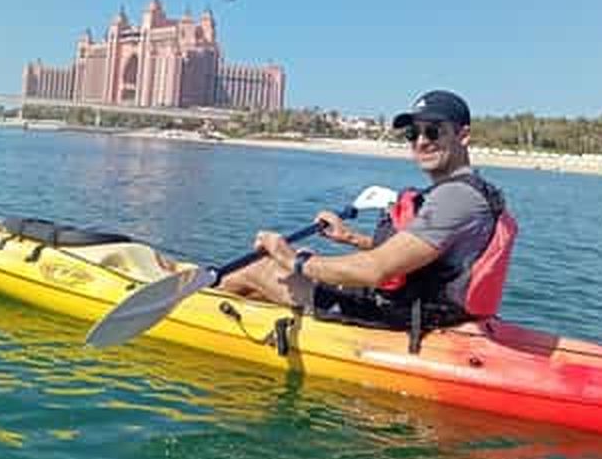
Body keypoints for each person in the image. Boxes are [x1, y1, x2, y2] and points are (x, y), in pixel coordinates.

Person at [220, 90, 517, 336]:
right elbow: (421, 259)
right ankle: (216, 307)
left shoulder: (455, 197)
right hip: (425, 308)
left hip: (400, 316)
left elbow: (376, 271)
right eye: (413, 133)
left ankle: (189, 308)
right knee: (287, 268)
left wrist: (287, 256)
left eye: (433, 131)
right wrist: (350, 237)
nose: (421, 141)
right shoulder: (470, 191)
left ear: (463, 135)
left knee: (259, 268)